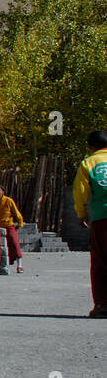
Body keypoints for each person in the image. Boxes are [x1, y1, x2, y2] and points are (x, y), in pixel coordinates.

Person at [72, 129, 107, 318]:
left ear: (91, 147)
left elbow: (80, 191)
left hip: (103, 218)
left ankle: (102, 305)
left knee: (101, 261)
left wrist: (81, 214)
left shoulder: (89, 162)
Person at [0, 185, 25, 274]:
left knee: (14, 242)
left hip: (8, 225)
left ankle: (19, 265)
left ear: (3, 192)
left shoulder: (8, 201)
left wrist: (20, 223)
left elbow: (16, 212)